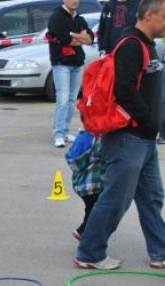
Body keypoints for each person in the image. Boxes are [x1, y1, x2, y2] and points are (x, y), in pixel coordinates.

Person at [75, 0, 165, 270]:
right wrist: (148, 122)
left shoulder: (149, 45)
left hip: (144, 137)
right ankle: (89, 252)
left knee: (152, 197)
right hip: (129, 137)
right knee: (116, 198)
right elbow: (124, 91)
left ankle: (159, 251)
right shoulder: (130, 45)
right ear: (149, 14)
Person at [47, 0, 94, 148]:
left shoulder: (80, 19)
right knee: (63, 97)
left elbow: (90, 39)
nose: (75, 1)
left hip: (77, 63)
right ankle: (59, 134)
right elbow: (65, 39)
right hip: (61, 63)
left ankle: (65, 131)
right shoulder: (56, 17)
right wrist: (80, 37)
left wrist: (77, 37)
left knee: (72, 99)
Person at [66, 128, 107, 240]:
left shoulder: (81, 137)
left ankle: (83, 231)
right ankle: (83, 232)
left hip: (81, 184)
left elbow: (73, 159)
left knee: (90, 208)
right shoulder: (96, 138)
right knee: (95, 211)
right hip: (94, 184)